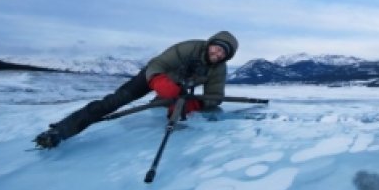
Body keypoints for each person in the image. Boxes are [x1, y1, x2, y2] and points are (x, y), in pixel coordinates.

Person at [34, 31, 238, 149]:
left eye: (223, 53)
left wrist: (196, 103)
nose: (218, 54)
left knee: (179, 109)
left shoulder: (218, 68)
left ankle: (163, 103)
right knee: (114, 102)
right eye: (216, 48)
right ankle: (60, 131)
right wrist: (159, 81)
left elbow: (215, 96)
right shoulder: (189, 48)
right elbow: (158, 64)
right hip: (153, 77)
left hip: (179, 90)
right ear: (210, 44)